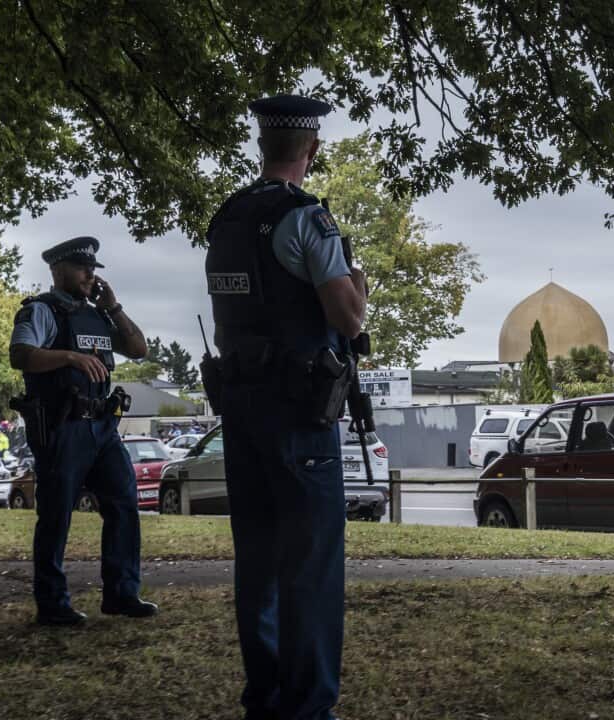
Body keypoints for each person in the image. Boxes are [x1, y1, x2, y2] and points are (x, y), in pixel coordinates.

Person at [205, 94, 367, 720]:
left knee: (260, 564)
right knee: (312, 568)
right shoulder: (307, 219)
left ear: (261, 145)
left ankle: (265, 699)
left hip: (241, 409)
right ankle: (308, 709)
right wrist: (356, 279)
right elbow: (348, 318)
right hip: (299, 415)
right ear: (312, 149)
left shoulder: (229, 218)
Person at [9, 236, 158, 627]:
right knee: (57, 515)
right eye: (82, 268)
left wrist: (114, 308)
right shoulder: (42, 311)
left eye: (93, 269)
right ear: (58, 270)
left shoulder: (100, 315)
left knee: (124, 504)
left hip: (102, 428)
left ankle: (122, 594)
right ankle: (53, 603)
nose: (90, 275)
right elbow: (20, 354)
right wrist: (71, 357)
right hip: (62, 426)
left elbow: (139, 349)